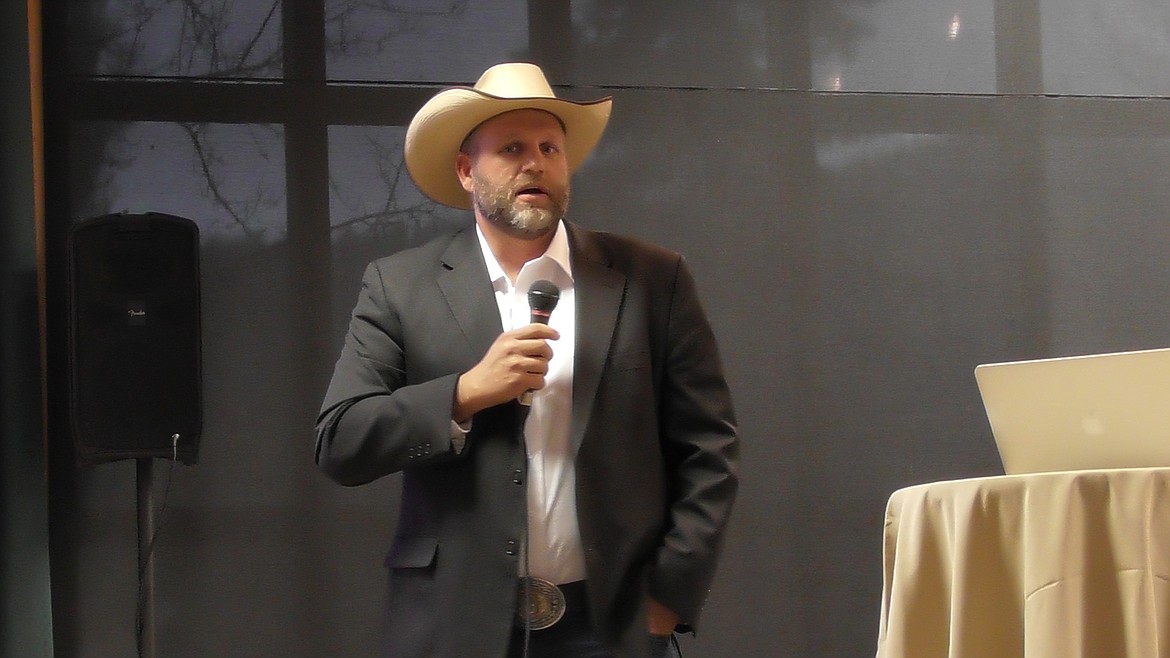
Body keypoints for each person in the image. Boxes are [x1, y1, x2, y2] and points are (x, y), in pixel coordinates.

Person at [315, 62, 739, 658]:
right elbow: (340, 441)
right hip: (454, 625)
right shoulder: (399, 286)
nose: (535, 162)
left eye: (550, 147)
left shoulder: (651, 279)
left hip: (611, 625)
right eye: (512, 148)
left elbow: (709, 450)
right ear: (466, 171)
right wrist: (463, 394)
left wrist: (669, 595)